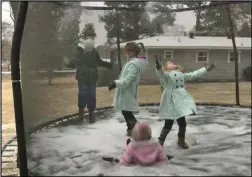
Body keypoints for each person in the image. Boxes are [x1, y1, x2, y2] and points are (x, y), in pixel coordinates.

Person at [155, 57, 215, 149]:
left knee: (182, 123)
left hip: (180, 102)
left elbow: (194, 74)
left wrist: (205, 69)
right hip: (170, 101)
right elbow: (161, 73)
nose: (171, 63)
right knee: (168, 123)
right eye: (169, 63)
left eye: (172, 62)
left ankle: (181, 141)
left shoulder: (181, 75)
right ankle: (160, 143)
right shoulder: (167, 75)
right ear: (167, 68)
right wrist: (158, 66)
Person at [64, 24, 113, 123]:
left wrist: (109, 65)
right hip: (82, 77)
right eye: (88, 37)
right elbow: (74, 62)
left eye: (91, 37)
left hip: (92, 77)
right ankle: (81, 115)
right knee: (82, 95)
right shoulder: (80, 51)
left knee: (91, 95)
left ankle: (91, 115)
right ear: (85, 38)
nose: (90, 39)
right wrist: (68, 64)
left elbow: (99, 62)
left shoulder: (94, 51)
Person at [108, 42, 148, 136]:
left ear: (132, 52)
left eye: (127, 51)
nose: (126, 52)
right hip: (125, 91)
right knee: (125, 112)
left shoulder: (133, 64)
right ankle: (131, 131)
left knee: (127, 113)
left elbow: (127, 81)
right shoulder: (132, 63)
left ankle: (140, 133)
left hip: (127, 92)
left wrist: (115, 83)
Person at [102, 121, 169, 165]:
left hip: (136, 167)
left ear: (134, 138)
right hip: (152, 167)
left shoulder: (132, 147)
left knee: (128, 143)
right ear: (150, 136)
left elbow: (125, 161)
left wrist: (119, 162)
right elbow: (163, 160)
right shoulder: (157, 146)